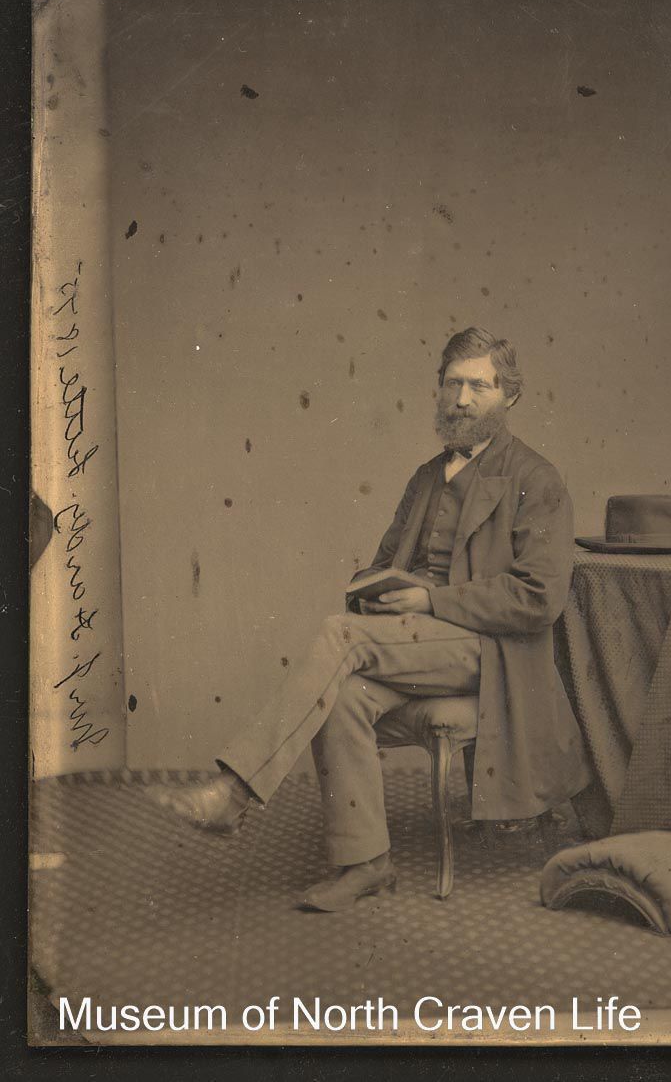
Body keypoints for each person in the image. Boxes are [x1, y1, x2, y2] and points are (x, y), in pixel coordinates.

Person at [149, 327, 592, 910]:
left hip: (491, 652)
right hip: (417, 646)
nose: (461, 400)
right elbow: (384, 564)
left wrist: (430, 601)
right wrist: (378, 593)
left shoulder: (537, 479)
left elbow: (539, 598)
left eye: (479, 387)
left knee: (339, 636)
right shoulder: (427, 477)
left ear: (510, 395)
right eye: (452, 384)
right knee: (343, 695)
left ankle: (235, 790)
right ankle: (366, 863)